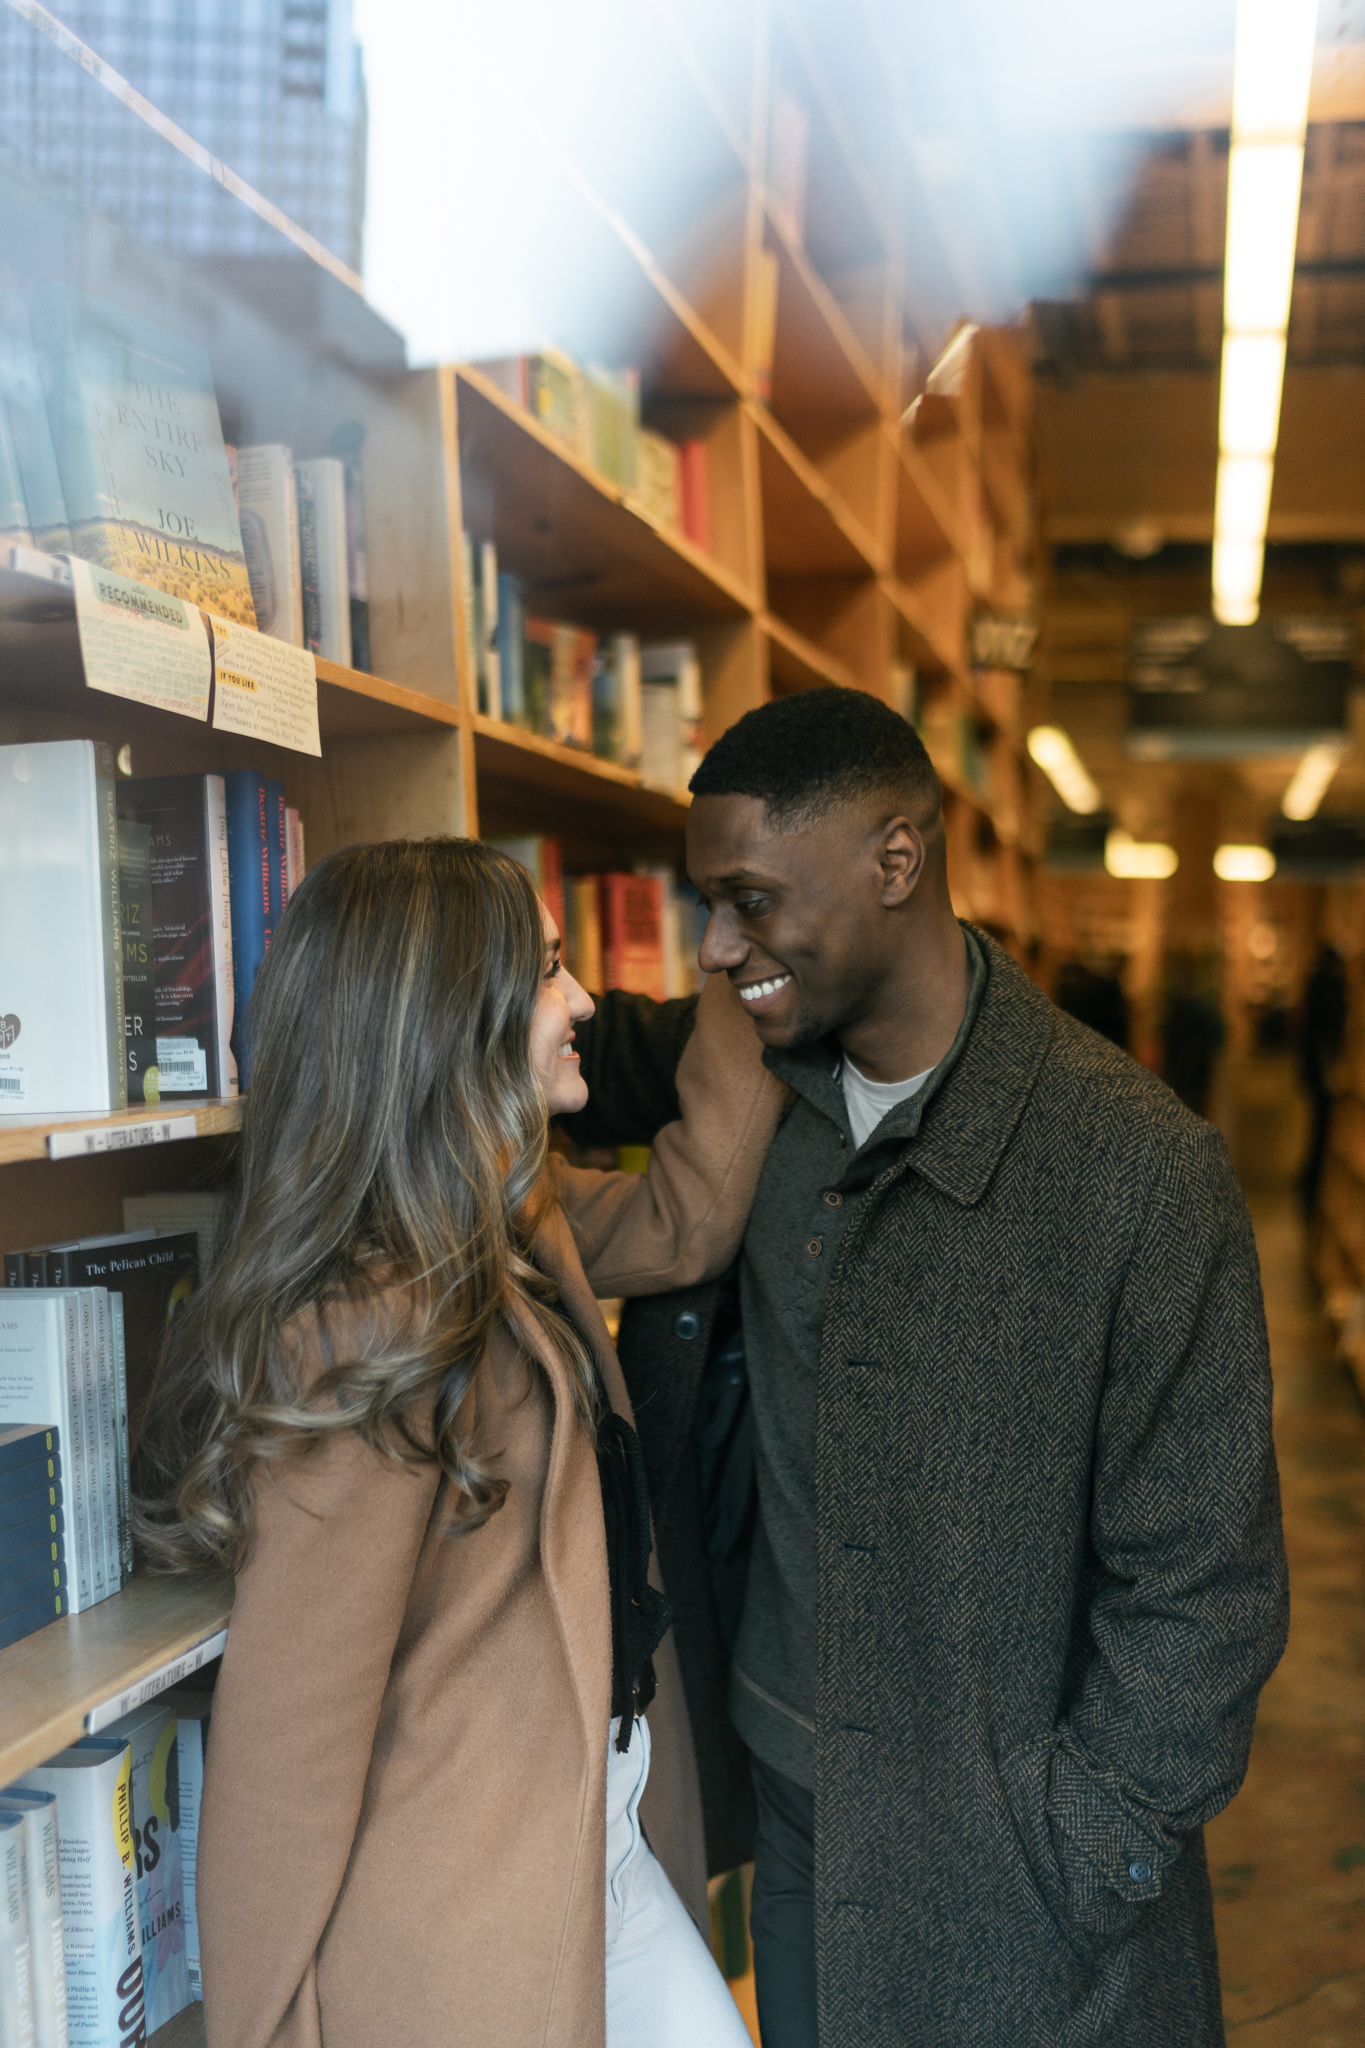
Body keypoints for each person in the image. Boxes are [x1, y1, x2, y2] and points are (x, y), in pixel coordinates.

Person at [562, 687, 1289, 2048]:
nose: (717, 949)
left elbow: (1206, 1587)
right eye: (703, 905)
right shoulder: (743, 1062)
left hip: (1021, 1864)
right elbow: (531, 1057)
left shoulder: (1136, 1172)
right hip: (796, 1806)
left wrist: (1089, 1847)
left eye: (752, 899)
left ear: (896, 861)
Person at [134, 837, 788, 2048]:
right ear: (453, 1016)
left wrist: (746, 975)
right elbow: (291, 1743)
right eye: (547, 969)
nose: (585, 998)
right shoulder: (366, 1329)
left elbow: (688, 1221)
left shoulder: (514, 1214)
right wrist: (267, 2026)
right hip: (474, 1900)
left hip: (600, 1839)